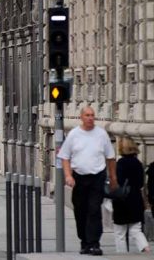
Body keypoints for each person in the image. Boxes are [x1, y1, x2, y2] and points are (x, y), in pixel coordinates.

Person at [57, 106, 116, 256]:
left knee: (94, 209)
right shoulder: (74, 134)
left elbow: (110, 157)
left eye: (92, 115)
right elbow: (65, 156)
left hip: (97, 176)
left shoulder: (101, 134)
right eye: (87, 115)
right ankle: (84, 241)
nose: (90, 118)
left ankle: (94, 243)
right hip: (79, 177)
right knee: (80, 210)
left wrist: (113, 177)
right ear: (81, 117)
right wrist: (68, 175)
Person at [112, 136, 150, 254]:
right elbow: (140, 183)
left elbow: (117, 182)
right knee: (136, 229)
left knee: (120, 233)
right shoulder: (138, 163)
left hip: (122, 200)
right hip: (135, 199)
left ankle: (123, 256)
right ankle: (145, 248)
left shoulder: (120, 163)